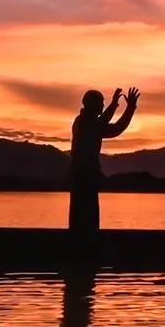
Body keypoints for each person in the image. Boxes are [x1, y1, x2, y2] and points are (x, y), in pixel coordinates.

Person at [68, 85, 138, 234]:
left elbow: (102, 121)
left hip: (80, 181)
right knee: (87, 225)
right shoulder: (88, 125)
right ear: (93, 105)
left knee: (79, 224)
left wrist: (114, 104)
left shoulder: (81, 121)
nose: (103, 106)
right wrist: (130, 108)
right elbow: (116, 128)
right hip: (85, 182)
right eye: (101, 103)